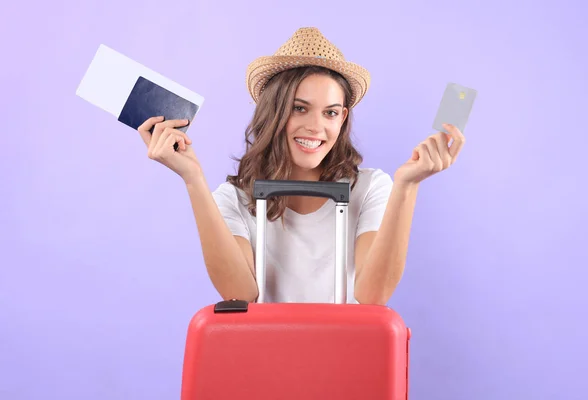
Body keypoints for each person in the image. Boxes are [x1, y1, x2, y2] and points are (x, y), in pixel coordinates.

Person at [136, 27, 465, 305]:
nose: (316, 127)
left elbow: (372, 295)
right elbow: (240, 294)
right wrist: (192, 179)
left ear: (343, 118)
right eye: (299, 108)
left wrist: (408, 185)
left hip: (347, 360)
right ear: (273, 112)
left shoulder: (370, 189)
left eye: (330, 112)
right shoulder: (233, 198)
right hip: (268, 361)